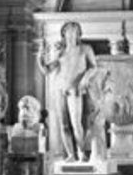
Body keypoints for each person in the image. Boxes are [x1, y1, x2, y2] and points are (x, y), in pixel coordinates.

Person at [38, 21, 101, 161]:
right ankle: (71, 154)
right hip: (60, 88)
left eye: (74, 32)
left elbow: (94, 67)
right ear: (64, 34)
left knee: (76, 123)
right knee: (63, 124)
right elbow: (47, 70)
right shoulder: (61, 52)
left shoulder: (85, 49)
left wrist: (85, 78)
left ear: (78, 34)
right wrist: (40, 59)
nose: (71, 35)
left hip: (75, 89)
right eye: (68, 31)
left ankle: (82, 152)